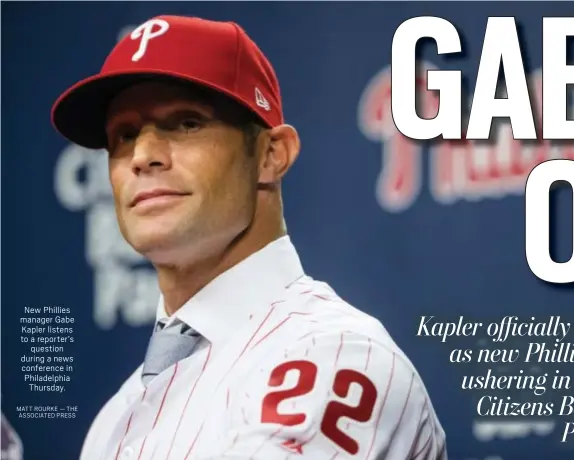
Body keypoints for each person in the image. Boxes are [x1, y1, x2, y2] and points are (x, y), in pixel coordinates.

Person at [51, 14, 447, 460]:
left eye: (186, 123)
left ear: (270, 155)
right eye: (123, 134)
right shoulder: (115, 416)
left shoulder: (334, 355)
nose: (142, 155)